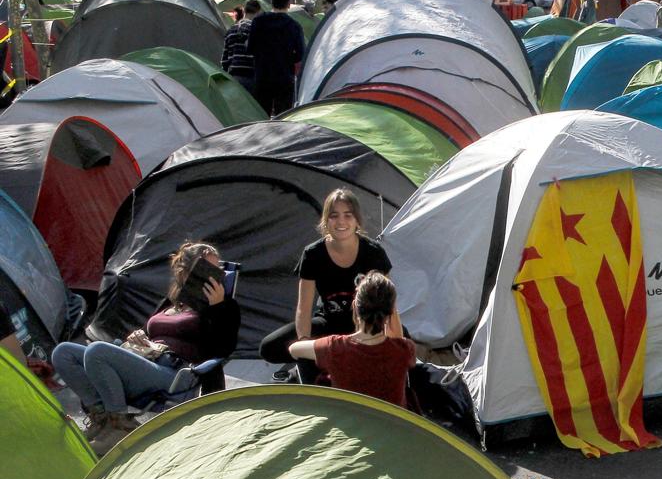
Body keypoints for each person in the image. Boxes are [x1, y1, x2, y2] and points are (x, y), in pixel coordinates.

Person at [52, 243, 240, 455]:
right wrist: (137, 335)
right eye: (208, 268)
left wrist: (218, 308)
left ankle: (120, 426)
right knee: (63, 353)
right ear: (186, 271)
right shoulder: (172, 302)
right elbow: (148, 330)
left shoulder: (225, 307)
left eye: (218, 270)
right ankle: (103, 420)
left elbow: (223, 348)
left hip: (175, 373)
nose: (215, 276)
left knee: (96, 350)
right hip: (145, 359)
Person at [259, 189, 393, 383]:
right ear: (325, 220)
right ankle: (312, 366)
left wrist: (384, 341)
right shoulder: (313, 254)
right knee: (269, 347)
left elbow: (388, 306)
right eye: (334, 215)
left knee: (402, 339)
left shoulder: (374, 253)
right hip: (328, 323)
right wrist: (305, 344)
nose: (341, 222)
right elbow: (303, 309)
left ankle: (340, 359)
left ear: (357, 220)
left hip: (363, 325)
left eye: (348, 215)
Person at [288, 272, 422, 410]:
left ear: (355, 307)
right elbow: (396, 337)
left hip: (349, 423)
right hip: (392, 425)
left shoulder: (335, 346)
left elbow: (293, 349)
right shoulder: (405, 349)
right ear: (390, 313)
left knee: (308, 363)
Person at [247, 0, 305, 116]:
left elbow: (250, 48)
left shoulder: (258, 22)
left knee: (261, 115)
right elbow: (301, 53)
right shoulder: (294, 25)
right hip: (284, 77)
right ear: (288, 4)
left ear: (271, 3)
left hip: (262, 75)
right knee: (283, 116)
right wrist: (289, 59)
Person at [221, 0, 261, 94]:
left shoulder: (231, 30)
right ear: (258, 12)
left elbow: (224, 60)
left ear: (244, 11)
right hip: (252, 76)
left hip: (234, 77)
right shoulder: (257, 30)